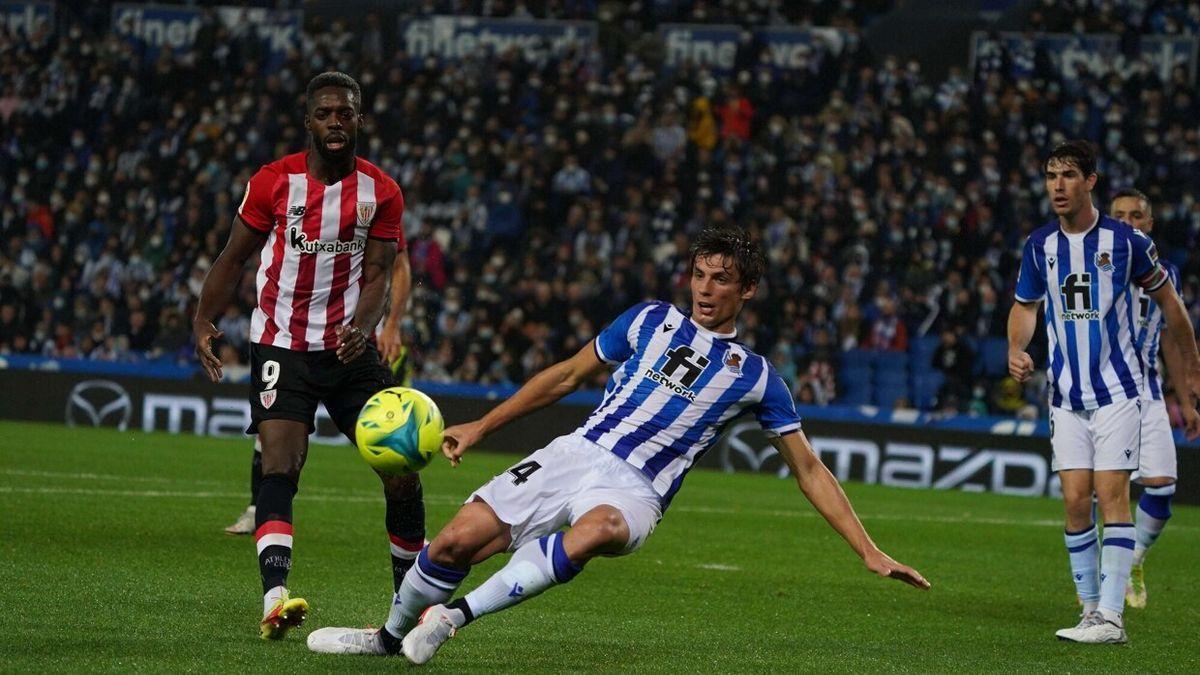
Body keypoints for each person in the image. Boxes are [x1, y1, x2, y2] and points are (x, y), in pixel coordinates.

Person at [306, 226, 930, 662]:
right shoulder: (648, 319)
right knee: (454, 541)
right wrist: (483, 425)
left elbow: (810, 470)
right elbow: (567, 376)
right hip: (576, 451)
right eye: (700, 274)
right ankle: (385, 639)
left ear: (747, 291)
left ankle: (451, 618)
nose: (706, 289)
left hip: (635, 489)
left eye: (722, 279)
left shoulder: (758, 377)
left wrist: (869, 551)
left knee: (601, 527)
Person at [193, 72, 426, 640]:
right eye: (325, 114)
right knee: (280, 465)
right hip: (281, 344)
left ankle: (410, 603)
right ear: (309, 122)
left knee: (400, 471)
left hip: (349, 351)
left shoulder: (382, 192)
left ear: (359, 119)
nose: (336, 123)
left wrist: (364, 324)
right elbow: (232, 257)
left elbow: (378, 274)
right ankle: (275, 598)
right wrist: (202, 317)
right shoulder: (273, 182)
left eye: (345, 113)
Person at [1007, 141, 1200, 644]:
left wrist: (1193, 368)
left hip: (1119, 390)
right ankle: (1091, 611)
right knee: (1075, 502)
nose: (1057, 185)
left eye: (1068, 175)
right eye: (1051, 175)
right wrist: (1016, 348)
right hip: (1065, 396)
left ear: (1090, 181)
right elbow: (1025, 305)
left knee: (1113, 492)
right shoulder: (1039, 245)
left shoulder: (1126, 242)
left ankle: (1113, 617)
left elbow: (1172, 307)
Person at [223, 265, 414, 537]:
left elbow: (398, 266)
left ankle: (408, 525)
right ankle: (256, 509)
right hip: (300, 341)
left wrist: (392, 324)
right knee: (277, 431)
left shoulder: (379, 222)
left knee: (384, 431)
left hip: (358, 343)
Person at [1109, 187, 1199, 608]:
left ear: (1149, 224)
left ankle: (1133, 563)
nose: (1128, 222)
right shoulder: (1099, 265)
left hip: (1147, 391)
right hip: (1103, 393)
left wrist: (1187, 400)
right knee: (1101, 494)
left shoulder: (1167, 275)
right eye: (1119, 215)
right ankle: (1099, 590)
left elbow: (1170, 342)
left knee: (1162, 488)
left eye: (1136, 216)